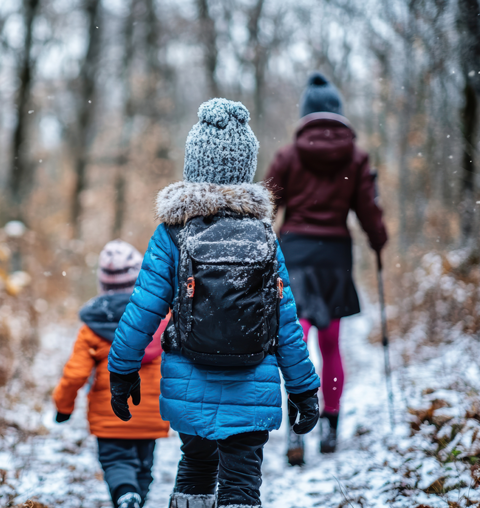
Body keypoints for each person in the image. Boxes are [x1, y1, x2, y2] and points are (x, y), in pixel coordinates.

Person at [106, 98, 321, 508]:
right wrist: (303, 388)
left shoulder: (172, 232)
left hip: (189, 381)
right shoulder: (263, 234)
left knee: (198, 461)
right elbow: (286, 321)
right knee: (241, 481)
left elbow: (143, 310)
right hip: (252, 383)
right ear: (246, 168)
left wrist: (122, 369)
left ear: (193, 165)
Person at [265, 72, 388, 465]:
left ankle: (296, 433)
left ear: (305, 114)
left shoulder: (288, 156)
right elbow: (368, 212)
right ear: (338, 112)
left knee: (294, 344)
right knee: (331, 344)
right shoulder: (356, 157)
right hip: (335, 257)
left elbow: (266, 207)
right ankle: (331, 429)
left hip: (295, 256)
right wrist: (378, 239)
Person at [52, 239, 170, 508]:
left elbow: (75, 374)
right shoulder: (162, 319)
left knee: (117, 462)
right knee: (143, 465)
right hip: (151, 412)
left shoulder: (93, 327)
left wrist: (63, 406)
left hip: (110, 414)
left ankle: (126, 496)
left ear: (102, 284)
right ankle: (135, 496)